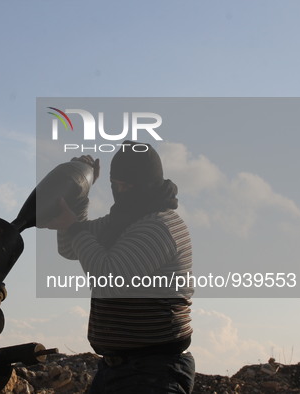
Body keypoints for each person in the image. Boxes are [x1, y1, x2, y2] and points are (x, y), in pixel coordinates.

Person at [41, 141, 195, 393]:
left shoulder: (159, 226)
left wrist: (74, 227)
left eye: (129, 186)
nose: (122, 191)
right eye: (117, 185)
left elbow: (109, 280)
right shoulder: (122, 219)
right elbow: (70, 249)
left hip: (155, 370)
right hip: (116, 368)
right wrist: (79, 196)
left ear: (149, 183)